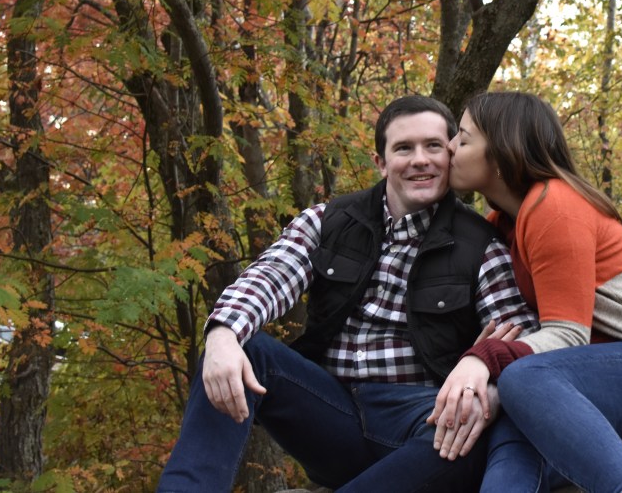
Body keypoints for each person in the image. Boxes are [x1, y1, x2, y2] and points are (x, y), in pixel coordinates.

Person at [158, 95, 538, 492]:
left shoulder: (482, 245)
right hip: (330, 410)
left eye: (433, 147)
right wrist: (221, 334)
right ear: (381, 162)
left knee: (474, 425)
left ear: (452, 154)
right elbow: (270, 277)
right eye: (404, 148)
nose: (420, 160)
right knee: (241, 348)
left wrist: (489, 388)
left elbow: (519, 339)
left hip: (420, 418)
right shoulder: (328, 222)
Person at [429, 91, 622, 493]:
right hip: (573, 394)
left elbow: (567, 335)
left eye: (464, 137)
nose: (450, 147)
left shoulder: (555, 206)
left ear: (504, 149)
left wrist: (483, 358)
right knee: (509, 461)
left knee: (522, 379)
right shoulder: (502, 223)